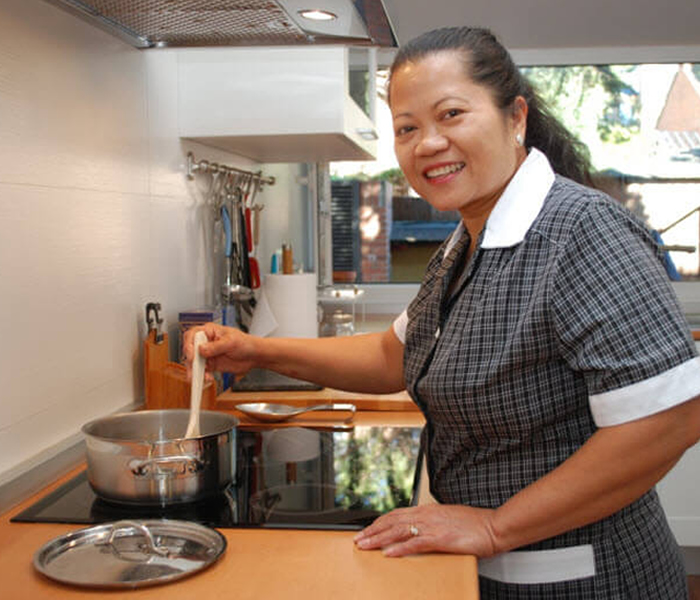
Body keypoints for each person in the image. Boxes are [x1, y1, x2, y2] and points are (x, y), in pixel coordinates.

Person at [185, 26, 700, 598]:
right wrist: (256, 349)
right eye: (406, 128)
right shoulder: (466, 242)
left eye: (451, 114)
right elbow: (393, 356)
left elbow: (670, 420)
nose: (427, 143)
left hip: (584, 578)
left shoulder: (582, 231)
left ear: (516, 118)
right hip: (494, 568)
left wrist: (494, 526)